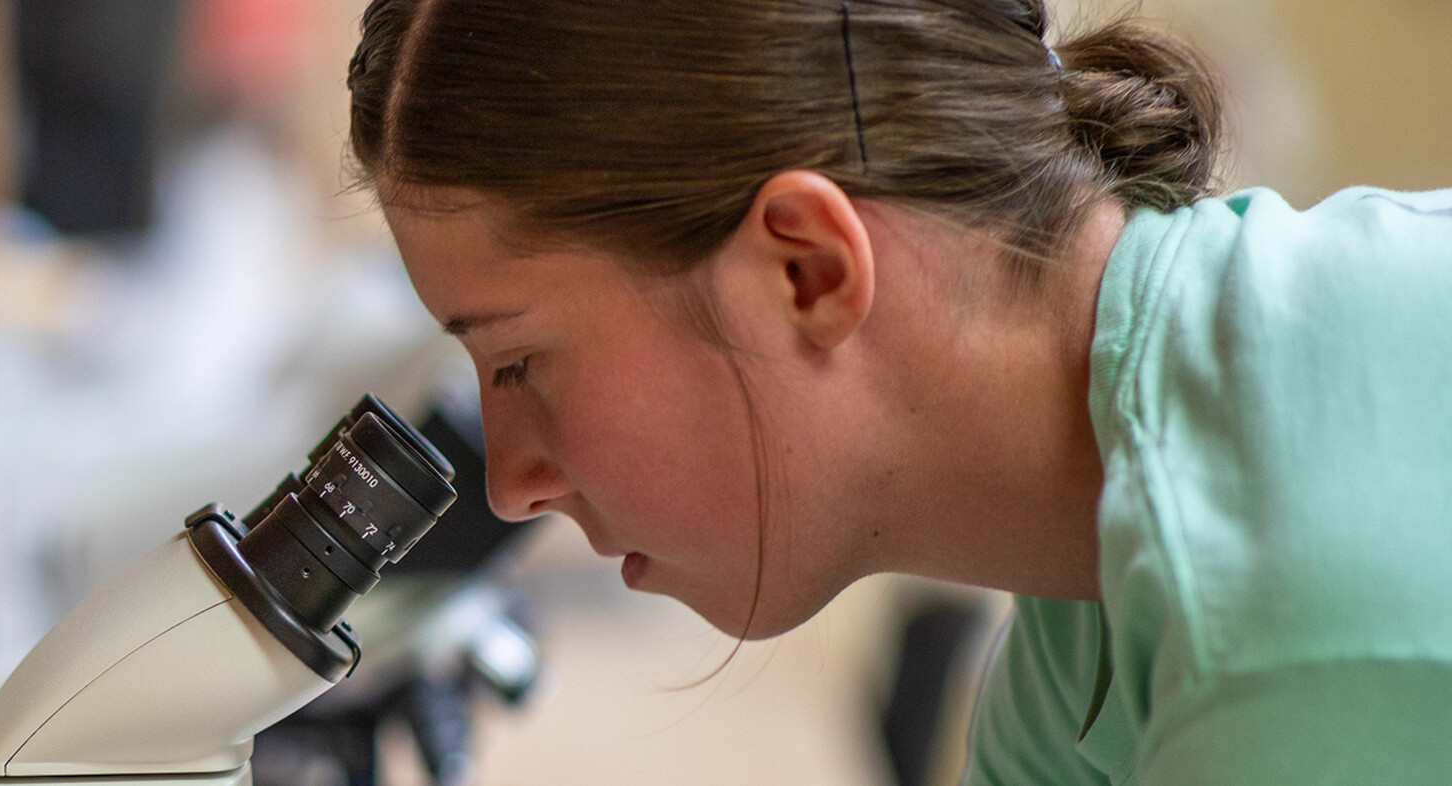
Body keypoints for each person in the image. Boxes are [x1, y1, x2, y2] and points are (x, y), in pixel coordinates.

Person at [343, 0, 1452, 782]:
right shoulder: (1094, 602)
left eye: (519, 362)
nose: (513, 484)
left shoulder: (1285, 642)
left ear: (807, 270)